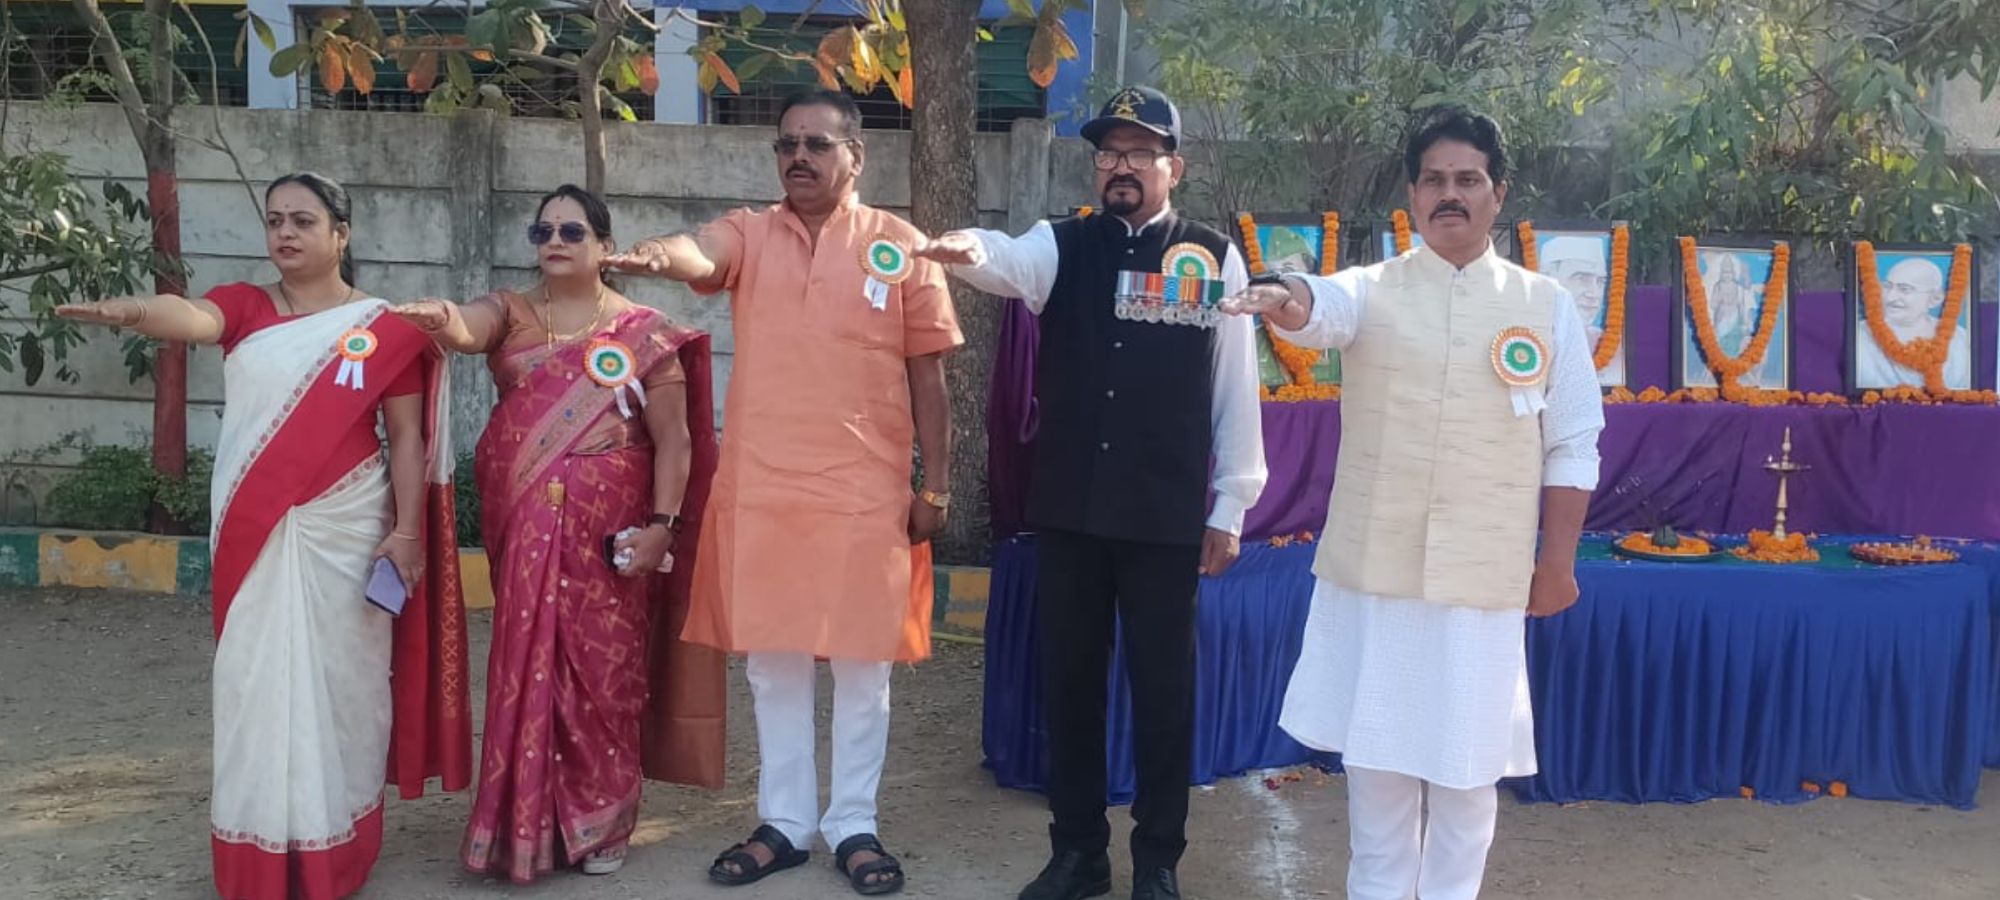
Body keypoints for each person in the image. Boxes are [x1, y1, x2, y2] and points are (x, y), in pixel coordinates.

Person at [1221, 108, 1603, 900]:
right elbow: (1319, 305)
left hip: (1482, 583)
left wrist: (1558, 562)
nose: (1449, 194)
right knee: (1380, 773)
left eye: (1468, 180)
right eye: (1434, 180)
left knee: (1466, 780)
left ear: (1499, 194)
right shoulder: (1375, 289)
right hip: (1380, 579)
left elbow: (1573, 441)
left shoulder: (1545, 305)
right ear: (1412, 194)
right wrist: (1284, 293)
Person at [56, 173, 471, 900]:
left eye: (302, 220)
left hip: (347, 529)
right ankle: (257, 857)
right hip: (256, 529)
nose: (285, 233)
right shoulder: (247, 306)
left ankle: (335, 850)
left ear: (341, 234)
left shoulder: (384, 327)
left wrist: (408, 532)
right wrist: (134, 312)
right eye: (275, 220)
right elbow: (193, 318)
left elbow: (407, 438)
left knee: (346, 688)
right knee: (253, 685)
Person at [603, 88, 961, 896]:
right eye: (787, 144)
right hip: (764, 487)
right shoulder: (751, 232)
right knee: (774, 664)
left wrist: (935, 488)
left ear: (855, 157)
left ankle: (854, 824)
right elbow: (701, 254)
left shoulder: (899, 245)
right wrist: (660, 255)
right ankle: (786, 823)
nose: (799, 157)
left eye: (817, 144)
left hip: (865, 492)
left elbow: (929, 377)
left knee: (863, 667)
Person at [916, 85, 1267, 900]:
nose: (1121, 167)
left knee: (1164, 696)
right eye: (1110, 153)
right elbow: (1003, 259)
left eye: (1141, 153)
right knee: (1070, 687)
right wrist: (964, 246)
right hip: (1071, 511)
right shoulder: (1060, 244)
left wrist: (1230, 505)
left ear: (1174, 167)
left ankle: (1158, 860)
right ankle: (1078, 853)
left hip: (1162, 518)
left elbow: (1235, 390)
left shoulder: (1212, 255)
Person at [393, 185, 728, 883]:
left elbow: (676, 441)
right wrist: (443, 317)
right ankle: (526, 823)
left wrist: (663, 527)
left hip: (612, 538)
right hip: (526, 531)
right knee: (526, 663)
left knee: (604, 674)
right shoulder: (513, 312)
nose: (554, 241)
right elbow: (468, 327)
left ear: (604, 247)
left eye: (572, 231)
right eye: (542, 230)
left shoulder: (644, 331)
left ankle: (601, 821)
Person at [1855, 256, 1971, 389]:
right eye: (1887, 286)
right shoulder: (1860, 334)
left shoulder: (1959, 339)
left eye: (1905, 289)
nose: (1890, 297)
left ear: (1935, 299)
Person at [1540, 235, 1622, 385]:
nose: (1594, 294)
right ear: (1547, 280)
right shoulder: (1529, 337)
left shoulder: (1609, 345)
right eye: (1581, 278)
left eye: (1600, 281)